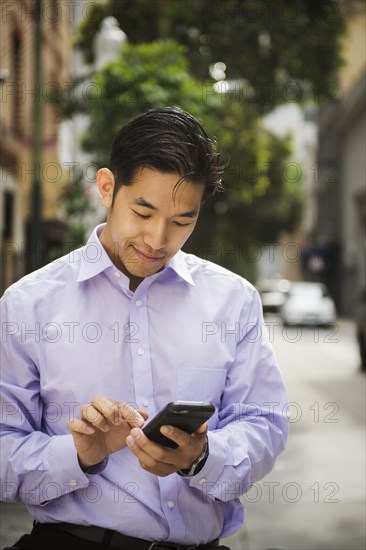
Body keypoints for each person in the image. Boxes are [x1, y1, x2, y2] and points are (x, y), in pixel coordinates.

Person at [0, 107, 289, 550]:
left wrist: (202, 458)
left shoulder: (233, 301)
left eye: (182, 221)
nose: (157, 240)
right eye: (143, 211)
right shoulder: (29, 305)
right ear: (106, 187)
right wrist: (78, 454)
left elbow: (265, 424)